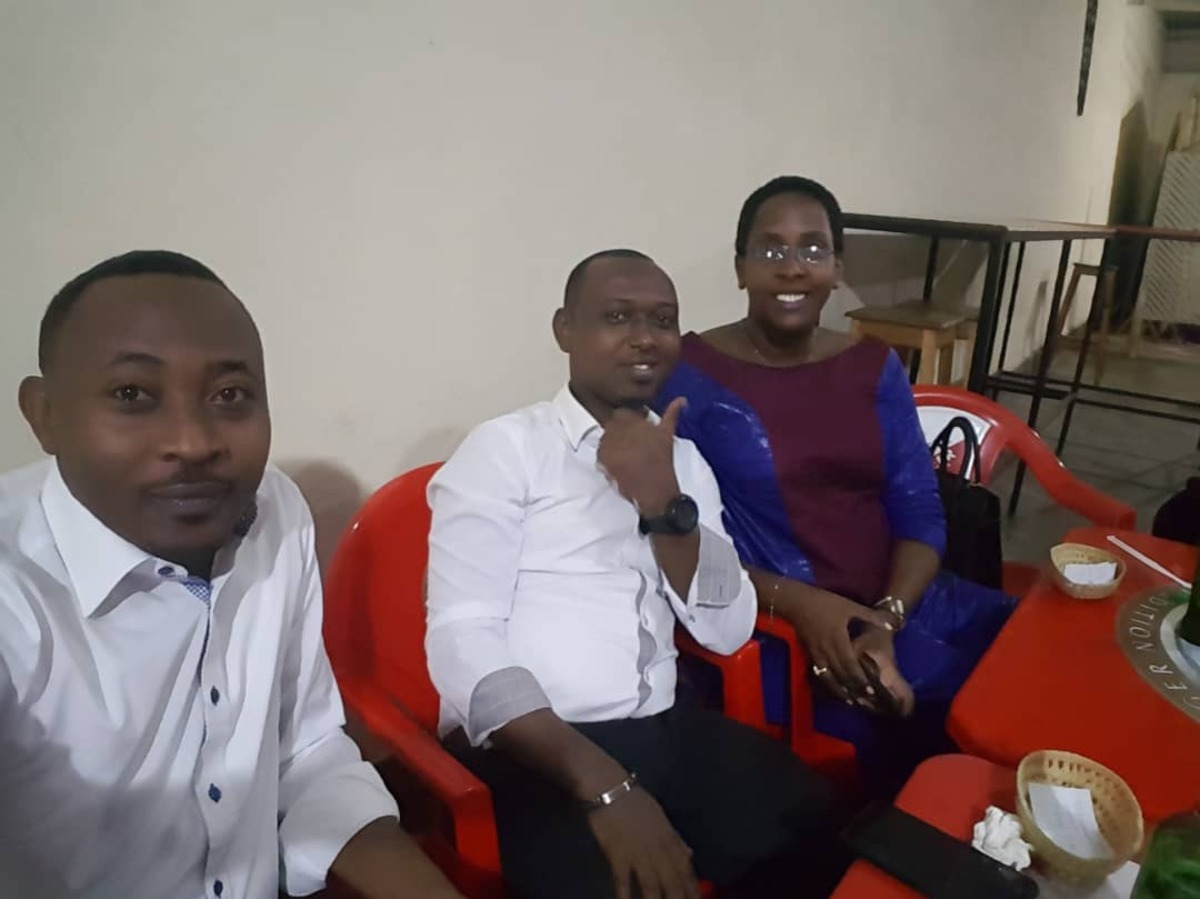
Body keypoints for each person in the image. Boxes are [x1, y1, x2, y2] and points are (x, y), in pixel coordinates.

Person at [0, 251, 462, 899]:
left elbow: (303, 752)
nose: (193, 443)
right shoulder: (15, 590)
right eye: (133, 395)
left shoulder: (274, 511)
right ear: (44, 413)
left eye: (229, 395)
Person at [425, 249, 836, 899]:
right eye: (617, 317)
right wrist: (605, 784)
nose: (645, 337)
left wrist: (664, 504)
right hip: (538, 746)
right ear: (565, 329)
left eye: (663, 320)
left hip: (665, 725)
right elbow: (461, 636)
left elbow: (727, 629)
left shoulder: (685, 461)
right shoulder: (505, 450)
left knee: (819, 831)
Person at [653, 176, 1017, 795]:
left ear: (837, 268)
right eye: (771, 249)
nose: (792, 267)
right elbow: (674, 542)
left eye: (813, 249)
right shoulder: (688, 377)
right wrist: (805, 606)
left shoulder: (873, 367)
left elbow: (918, 508)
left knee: (1039, 664)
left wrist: (889, 618)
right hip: (788, 632)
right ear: (740, 269)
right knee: (948, 744)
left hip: (906, 603)